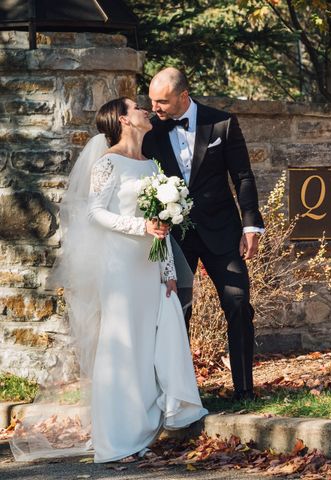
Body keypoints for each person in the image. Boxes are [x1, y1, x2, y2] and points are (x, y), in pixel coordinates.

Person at [11, 97, 207, 463]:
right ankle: (118, 438)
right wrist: (140, 226)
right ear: (123, 119)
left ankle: (156, 419)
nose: (145, 111)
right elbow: (95, 212)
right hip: (121, 267)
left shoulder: (151, 163)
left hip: (151, 266)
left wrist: (167, 271)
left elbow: (160, 221)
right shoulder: (107, 163)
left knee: (158, 338)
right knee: (125, 346)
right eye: (137, 108)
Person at [143, 68, 264, 401]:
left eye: (162, 101)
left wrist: (251, 225)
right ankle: (179, 394)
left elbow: (243, 177)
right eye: (152, 101)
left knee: (238, 303)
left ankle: (244, 390)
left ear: (184, 96)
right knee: (178, 311)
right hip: (175, 238)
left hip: (223, 232)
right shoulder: (150, 132)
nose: (155, 107)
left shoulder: (221, 123)